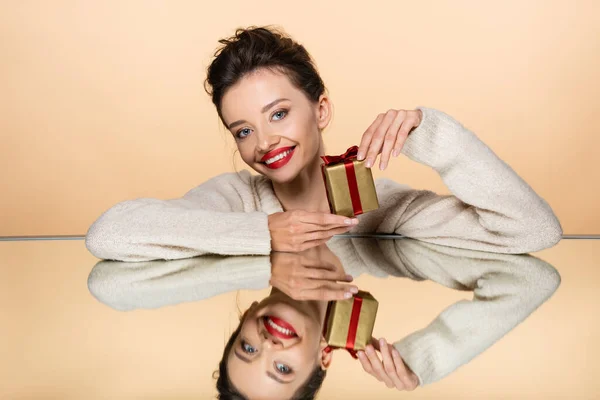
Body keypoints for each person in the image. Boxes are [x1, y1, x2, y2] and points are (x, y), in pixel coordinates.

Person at [85, 25, 563, 263]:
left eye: (279, 113)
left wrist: (434, 134)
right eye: (243, 130)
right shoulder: (234, 198)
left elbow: (531, 231)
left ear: (321, 110)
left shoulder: (380, 207)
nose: (265, 141)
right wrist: (265, 233)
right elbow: (109, 233)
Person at [87, 237, 561, 398]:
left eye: (246, 348)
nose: (268, 346)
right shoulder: (383, 252)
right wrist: (427, 358)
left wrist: (267, 258)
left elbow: (105, 282)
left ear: (247, 313)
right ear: (325, 358)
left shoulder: (244, 209)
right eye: (282, 369)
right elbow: (535, 278)